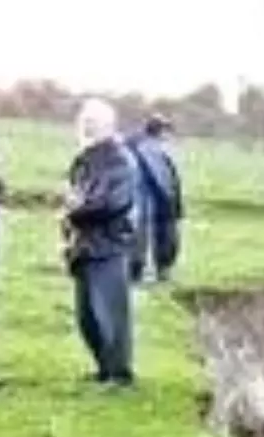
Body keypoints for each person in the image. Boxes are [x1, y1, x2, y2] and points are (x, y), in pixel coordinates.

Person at [62, 98, 137, 387]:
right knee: (87, 318)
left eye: (94, 121)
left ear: (110, 125)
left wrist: (74, 211)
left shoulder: (119, 159)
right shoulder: (85, 158)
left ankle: (119, 375)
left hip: (109, 246)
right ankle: (104, 369)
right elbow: (78, 196)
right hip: (84, 246)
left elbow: (111, 203)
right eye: (84, 120)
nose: (87, 125)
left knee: (111, 317)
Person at [125, 114, 183, 284]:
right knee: (152, 233)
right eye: (166, 130)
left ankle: (136, 271)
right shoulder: (150, 147)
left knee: (138, 233)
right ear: (160, 131)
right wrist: (172, 203)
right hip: (147, 196)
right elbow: (163, 179)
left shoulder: (133, 143)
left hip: (135, 195)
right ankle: (154, 270)